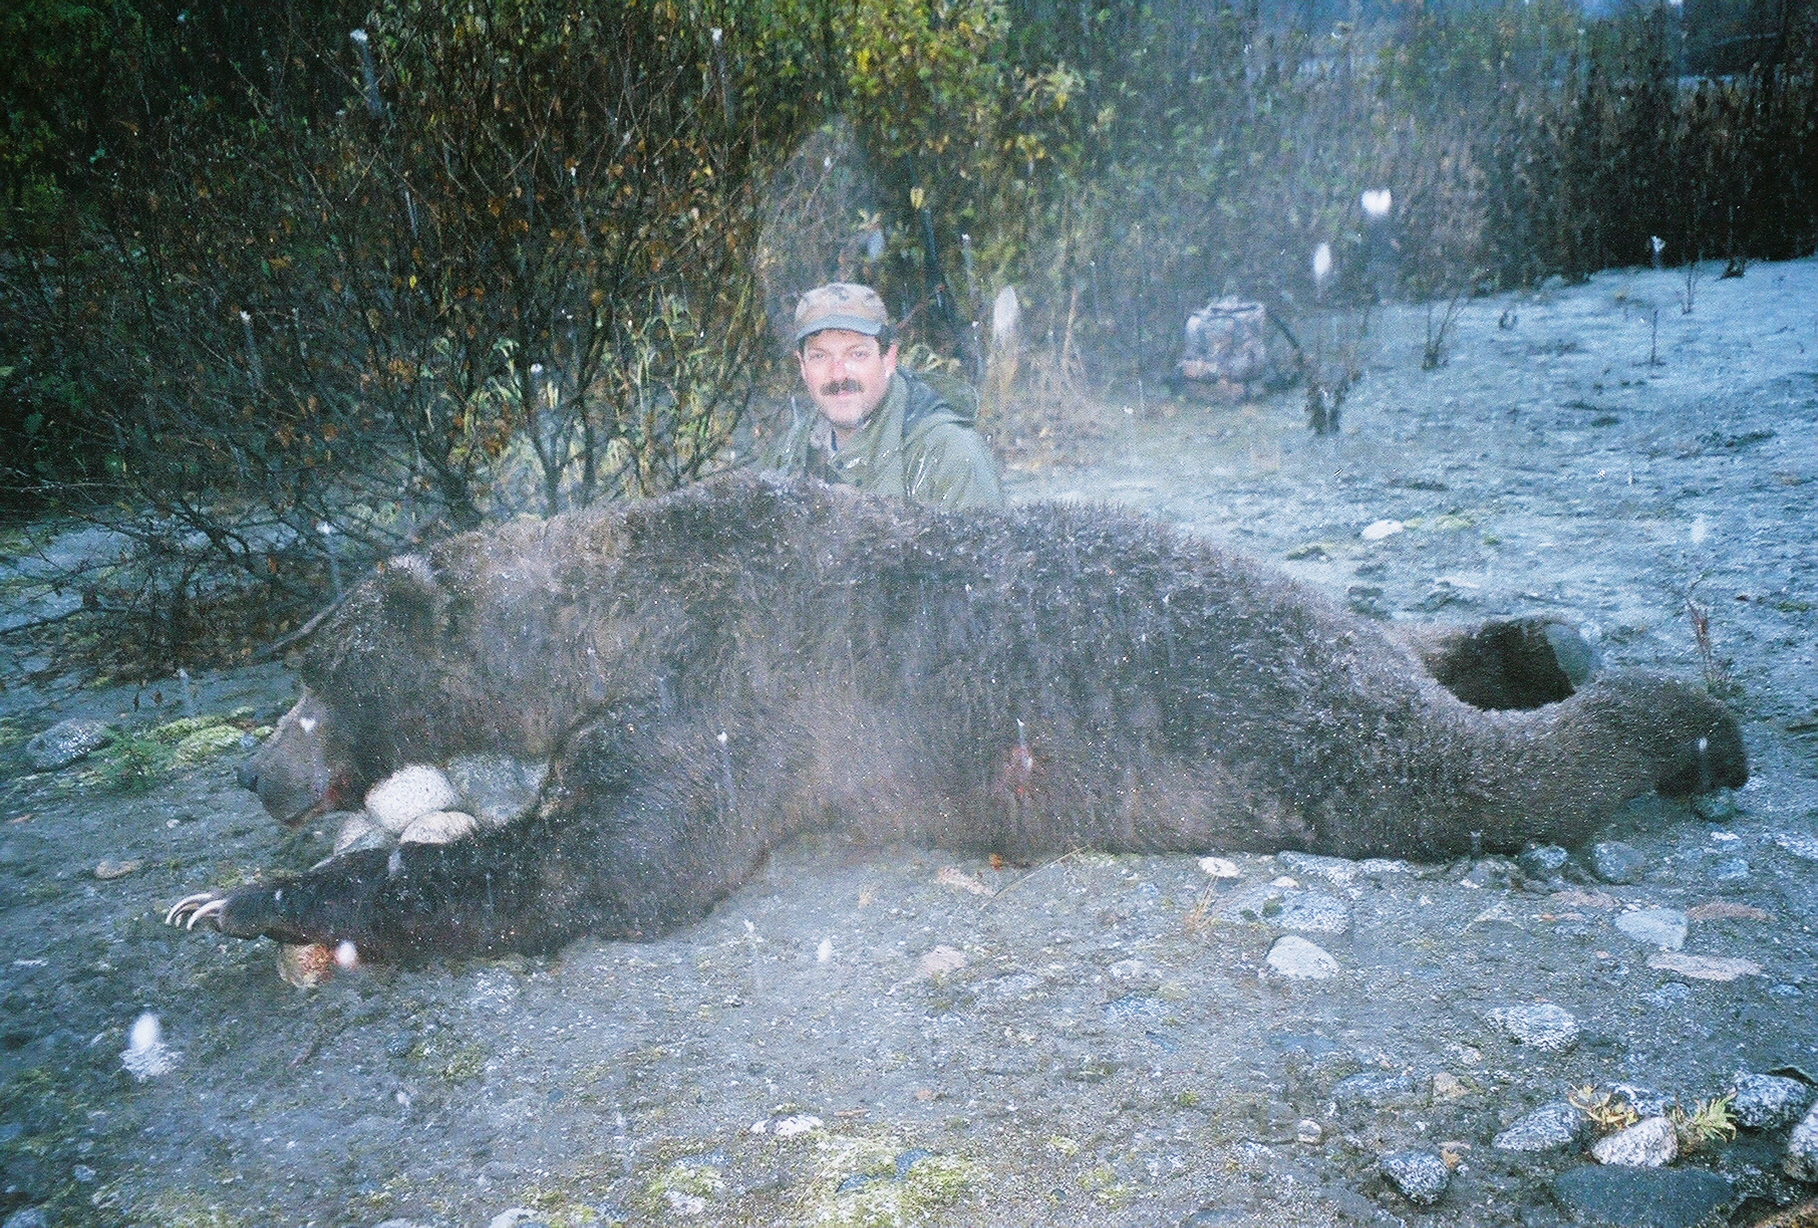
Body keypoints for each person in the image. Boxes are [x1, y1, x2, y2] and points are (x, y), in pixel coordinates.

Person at [762, 282, 1004, 511]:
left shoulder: (950, 454)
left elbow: (991, 551)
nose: (838, 374)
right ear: (802, 367)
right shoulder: (788, 453)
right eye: (820, 356)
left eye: (856, 354)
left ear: (889, 359)